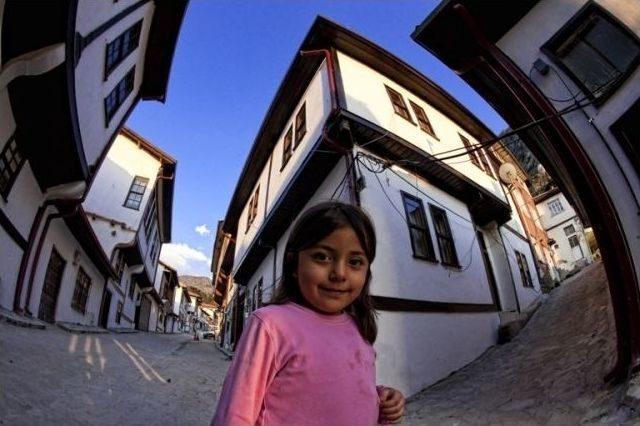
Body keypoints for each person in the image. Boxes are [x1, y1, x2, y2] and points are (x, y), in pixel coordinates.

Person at [212, 201, 405, 425]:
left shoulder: (359, 328)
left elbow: (342, 394)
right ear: (294, 265)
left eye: (355, 262)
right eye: (322, 257)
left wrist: (381, 398)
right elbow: (234, 414)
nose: (339, 273)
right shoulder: (271, 325)